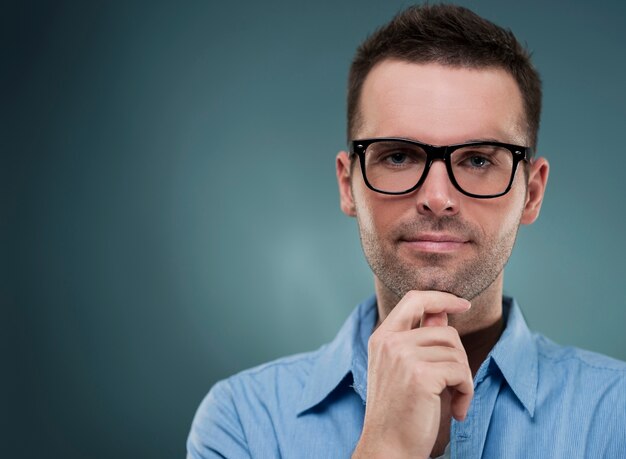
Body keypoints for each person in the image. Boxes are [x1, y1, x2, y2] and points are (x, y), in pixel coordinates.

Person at [187, 4, 626, 458]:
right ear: (348, 185)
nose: (437, 196)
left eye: (478, 159)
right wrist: (385, 448)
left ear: (531, 192)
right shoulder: (241, 422)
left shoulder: (619, 415)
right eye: (398, 156)